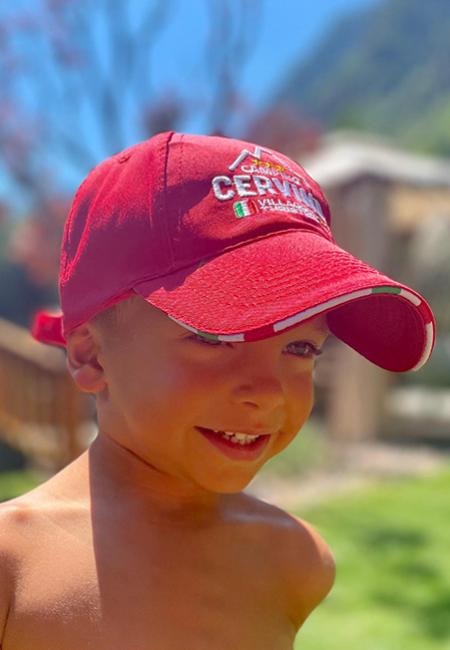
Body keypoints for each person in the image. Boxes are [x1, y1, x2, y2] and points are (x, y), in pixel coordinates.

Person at [0, 132, 435, 649]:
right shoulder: (14, 567)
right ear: (90, 355)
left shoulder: (295, 562)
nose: (268, 393)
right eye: (217, 336)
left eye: (300, 349)